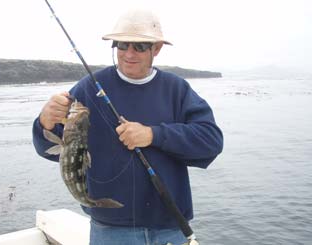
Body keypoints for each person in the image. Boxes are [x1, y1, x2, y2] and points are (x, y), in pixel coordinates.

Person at [33, 9, 223, 245]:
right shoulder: (87, 89)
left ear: (157, 48)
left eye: (140, 46)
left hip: (170, 227)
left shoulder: (177, 90)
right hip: (109, 230)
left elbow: (211, 142)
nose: (129, 54)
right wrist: (44, 121)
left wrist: (153, 134)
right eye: (122, 45)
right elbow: (51, 148)